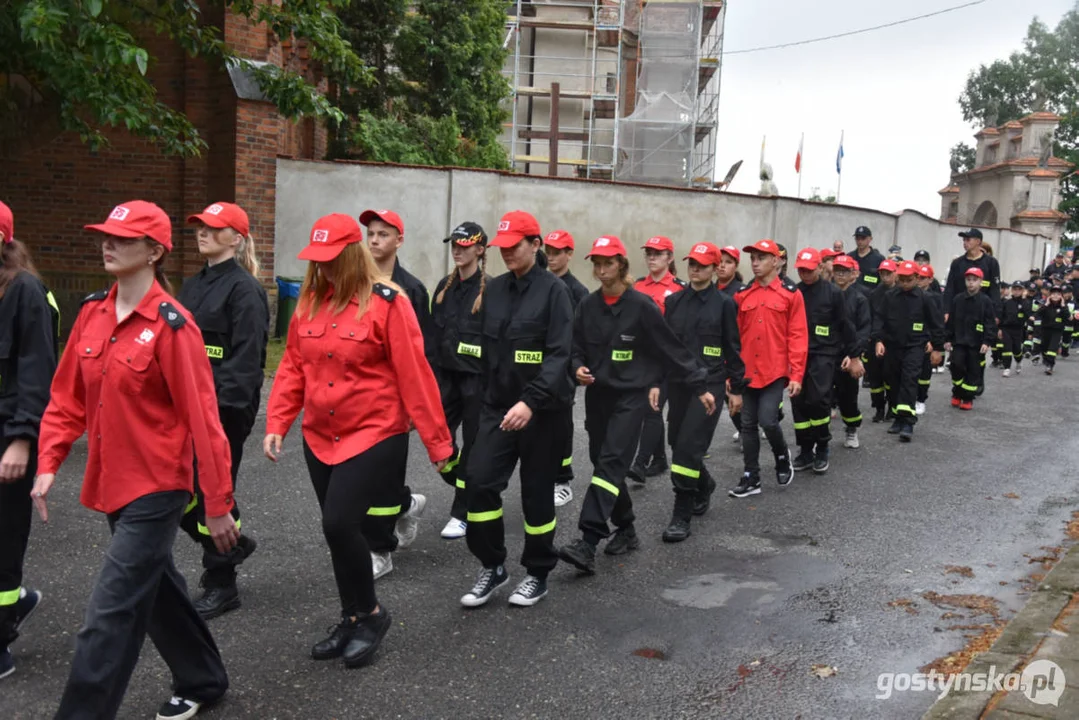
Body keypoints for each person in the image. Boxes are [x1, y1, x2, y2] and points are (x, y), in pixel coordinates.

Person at [34, 200, 239, 720]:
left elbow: (205, 422)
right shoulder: (91, 315)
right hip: (112, 483)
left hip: (158, 486)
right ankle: (203, 677)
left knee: (110, 612)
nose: (108, 244)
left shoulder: (175, 327)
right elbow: (65, 400)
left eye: (122, 239)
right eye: (105, 235)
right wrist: (48, 461)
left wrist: (218, 505)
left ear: (154, 252)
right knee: (159, 588)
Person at [264, 213, 452, 667]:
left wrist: (439, 446)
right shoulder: (309, 301)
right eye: (318, 260)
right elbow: (292, 365)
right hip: (320, 434)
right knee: (337, 533)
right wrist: (277, 420)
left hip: (373, 432)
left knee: (338, 523)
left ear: (352, 256)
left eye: (332, 260)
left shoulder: (389, 303)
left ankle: (371, 613)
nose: (323, 268)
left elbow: (416, 375)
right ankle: (350, 617)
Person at [557, 235, 712, 572]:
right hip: (599, 396)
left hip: (631, 397)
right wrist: (577, 367)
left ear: (621, 266)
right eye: (596, 263)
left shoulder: (641, 306)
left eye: (608, 263)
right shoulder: (587, 305)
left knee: (611, 462)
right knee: (602, 462)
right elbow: (575, 346)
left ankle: (587, 540)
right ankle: (626, 528)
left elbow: (670, 348)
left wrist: (700, 385)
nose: (601, 269)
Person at [458, 210, 574, 609]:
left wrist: (532, 400)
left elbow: (559, 356)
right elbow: (488, 351)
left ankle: (538, 572)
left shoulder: (554, 292)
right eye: (502, 247)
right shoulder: (496, 289)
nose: (507, 253)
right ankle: (492, 565)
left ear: (535, 245)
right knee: (478, 480)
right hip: (497, 408)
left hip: (543, 412)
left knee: (536, 494)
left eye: (515, 246)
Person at [177, 202, 268, 619]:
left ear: (236, 237)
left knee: (214, 495)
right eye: (200, 227)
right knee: (180, 494)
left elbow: (247, 361)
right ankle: (234, 547)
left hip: (224, 411)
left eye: (214, 229)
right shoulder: (193, 286)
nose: (203, 233)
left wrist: (218, 414)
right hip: (187, 407)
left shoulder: (245, 289)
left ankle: (222, 584)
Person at [0, 200, 58, 680]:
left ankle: (1, 637)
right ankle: (16, 603)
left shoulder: (25, 292)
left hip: (7, 436)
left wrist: (21, 440)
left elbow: (36, 373)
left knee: (4, 538)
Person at [358, 209, 430, 577]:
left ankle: (380, 550)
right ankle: (407, 503)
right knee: (364, 476)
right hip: (358, 398)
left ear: (399, 240)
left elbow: (419, 356)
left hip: (395, 401)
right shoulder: (354, 283)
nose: (374, 240)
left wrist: (417, 408)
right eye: (370, 233)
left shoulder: (412, 290)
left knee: (381, 476)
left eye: (383, 234)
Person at [660, 242, 741, 542]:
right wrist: (657, 384)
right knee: (676, 442)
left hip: (711, 385)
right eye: (692, 263)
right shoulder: (675, 302)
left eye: (702, 265)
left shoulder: (724, 304)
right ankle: (704, 483)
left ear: (714, 269)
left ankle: (681, 516)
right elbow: (665, 348)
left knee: (687, 449)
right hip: (679, 385)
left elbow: (733, 349)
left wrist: (737, 389)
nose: (695, 269)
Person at [729, 239, 806, 498]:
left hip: (774, 371)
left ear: (776, 261)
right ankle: (751, 475)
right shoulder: (742, 294)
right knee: (747, 425)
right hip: (747, 371)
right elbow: (734, 338)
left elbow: (797, 336)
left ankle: (782, 456)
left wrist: (796, 374)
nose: (755, 263)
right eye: (752, 258)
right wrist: (731, 374)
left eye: (761, 258)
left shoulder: (791, 294)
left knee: (768, 420)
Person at [430, 222, 490, 540]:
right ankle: (476, 488)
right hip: (447, 380)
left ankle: (461, 512)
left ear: (480, 250)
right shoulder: (444, 287)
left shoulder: (490, 290)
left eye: (465, 245)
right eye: (454, 243)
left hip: (478, 383)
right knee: (439, 443)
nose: (457, 249)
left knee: (473, 449)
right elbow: (433, 338)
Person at [790, 248, 856, 475]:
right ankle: (805, 449)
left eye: (809, 270)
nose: (805, 275)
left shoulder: (833, 294)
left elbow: (845, 325)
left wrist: (854, 354)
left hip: (824, 355)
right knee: (798, 403)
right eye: (801, 270)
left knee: (818, 401)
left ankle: (822, 446)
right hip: (798, 356)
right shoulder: (794, 292)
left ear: (819, 267)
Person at [626, 236, 686, 484]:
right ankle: (660, 459)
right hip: (641, 360)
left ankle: (640, 463)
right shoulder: (638, 287)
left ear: (669, 258)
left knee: (651, 409)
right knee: (650, 409)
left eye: (658, 253)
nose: (652, 257)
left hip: (666, 362)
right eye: (649, 253)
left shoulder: (680, 289)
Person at [872, 261, 944, 441]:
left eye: (909, 280)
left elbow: (936, 324)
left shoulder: (925, 299)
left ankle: (908, 423)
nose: (905, 283)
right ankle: (897, 417)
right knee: (893, 382)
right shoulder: (890, 296)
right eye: (902, 279)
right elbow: (879, 319)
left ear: (917, 278)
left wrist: (937, 348)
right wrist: (878, 340)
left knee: (909, 380)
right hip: (893, 346)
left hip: (915, 347)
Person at [544, 229, 588, 507]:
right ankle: (543, 475)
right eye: (548, 251)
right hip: (539, 366)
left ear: (569, 254)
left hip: (564, 369)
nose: (551, 257)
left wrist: (577, 367)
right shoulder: (540, 283)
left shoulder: (577, 291)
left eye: (557, 252)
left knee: (561, 425)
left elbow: (583, 335)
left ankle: (563, 480)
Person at [831, 255, 869, 449]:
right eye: (837, 270)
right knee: (820, 396)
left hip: (849, 356)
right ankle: (818, 437)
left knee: (848, 399)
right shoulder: (826, 294)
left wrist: (853, 355)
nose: (840, 274)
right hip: (826, 354)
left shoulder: (859, 299)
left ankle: (852, 428)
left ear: (852, 274)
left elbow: (863, 331)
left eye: (844, 271)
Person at [945, 268, 996, 410]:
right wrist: (947, 338)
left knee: (972, 371)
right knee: (956, 365)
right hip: (959, 341)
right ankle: (957, 391)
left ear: (981, 282)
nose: (971, 283)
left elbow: (990, 324)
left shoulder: (985, 301)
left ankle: (967, 398)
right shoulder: (958, 299)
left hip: (976, 343)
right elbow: (951, 321)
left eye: (974, 280)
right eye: (968, 280)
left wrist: (987, 341)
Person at [943, 229, 1002, 325]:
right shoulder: (957, 263)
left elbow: (994, 290)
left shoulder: (991, 263)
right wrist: (946, 311)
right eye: (963, 240)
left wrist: (996, 314)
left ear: (978, 241)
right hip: (960, 310)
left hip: (982, 310)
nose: (965, 243)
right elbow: (950, 289)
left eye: (968, 240)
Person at [867, 260, 898, 421]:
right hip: (876, 340)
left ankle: (892, 407)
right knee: (875, 378)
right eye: (882, 274)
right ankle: (878, 407)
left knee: (891, 376)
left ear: (895, 274)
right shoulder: (874, 294)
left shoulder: (901, 292)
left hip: (894, 342)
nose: (885, 277)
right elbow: (872, 318)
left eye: (888, 273)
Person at [915, 264, 942, 415]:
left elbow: (937, 323)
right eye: (917, 277)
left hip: (928, 339)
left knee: (924, 372)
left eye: (923, 278)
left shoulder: (936, 298)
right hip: (913, 338)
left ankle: (921, 399)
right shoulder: (911, 295)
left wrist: (934, 342)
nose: (919, 281)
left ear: (930, 280)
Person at [1035, 285, 1069, 375]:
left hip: (1057, 331)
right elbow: (1038, 314)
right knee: (1044, 348)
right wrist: (1045, 304)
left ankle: (1050, 365)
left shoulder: (1064, 306)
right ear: (1050, 295)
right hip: (1045, 329)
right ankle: (1046, 360)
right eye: (1053, 294)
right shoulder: (1046, 305)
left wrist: (1062, 306)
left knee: (1052, 348)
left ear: (1061, 296)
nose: (1055, 296)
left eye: (1058, 294)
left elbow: (1068, 316)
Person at [999, 281, 1029, 377]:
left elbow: (1027, 315)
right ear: (1012, 290)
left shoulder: (1025, 302)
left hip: (1018, 329)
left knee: (1016, 350)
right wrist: (999, 329)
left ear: (1022, 291)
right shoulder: (1007, 303)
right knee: (1006, 348)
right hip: (1006, 329)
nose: (1016, 292)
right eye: (1015, 289)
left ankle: (1019, 361)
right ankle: (1007, 368)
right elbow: (1001, 316)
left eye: (1019, 289)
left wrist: (1023, 302)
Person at [849, 226, 885, 290]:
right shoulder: (849, 257)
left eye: (863, 238)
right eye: (857, 238)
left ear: (870, 239)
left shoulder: (879, 259)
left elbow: (882, 281)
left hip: (871, 296)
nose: (860, 241)